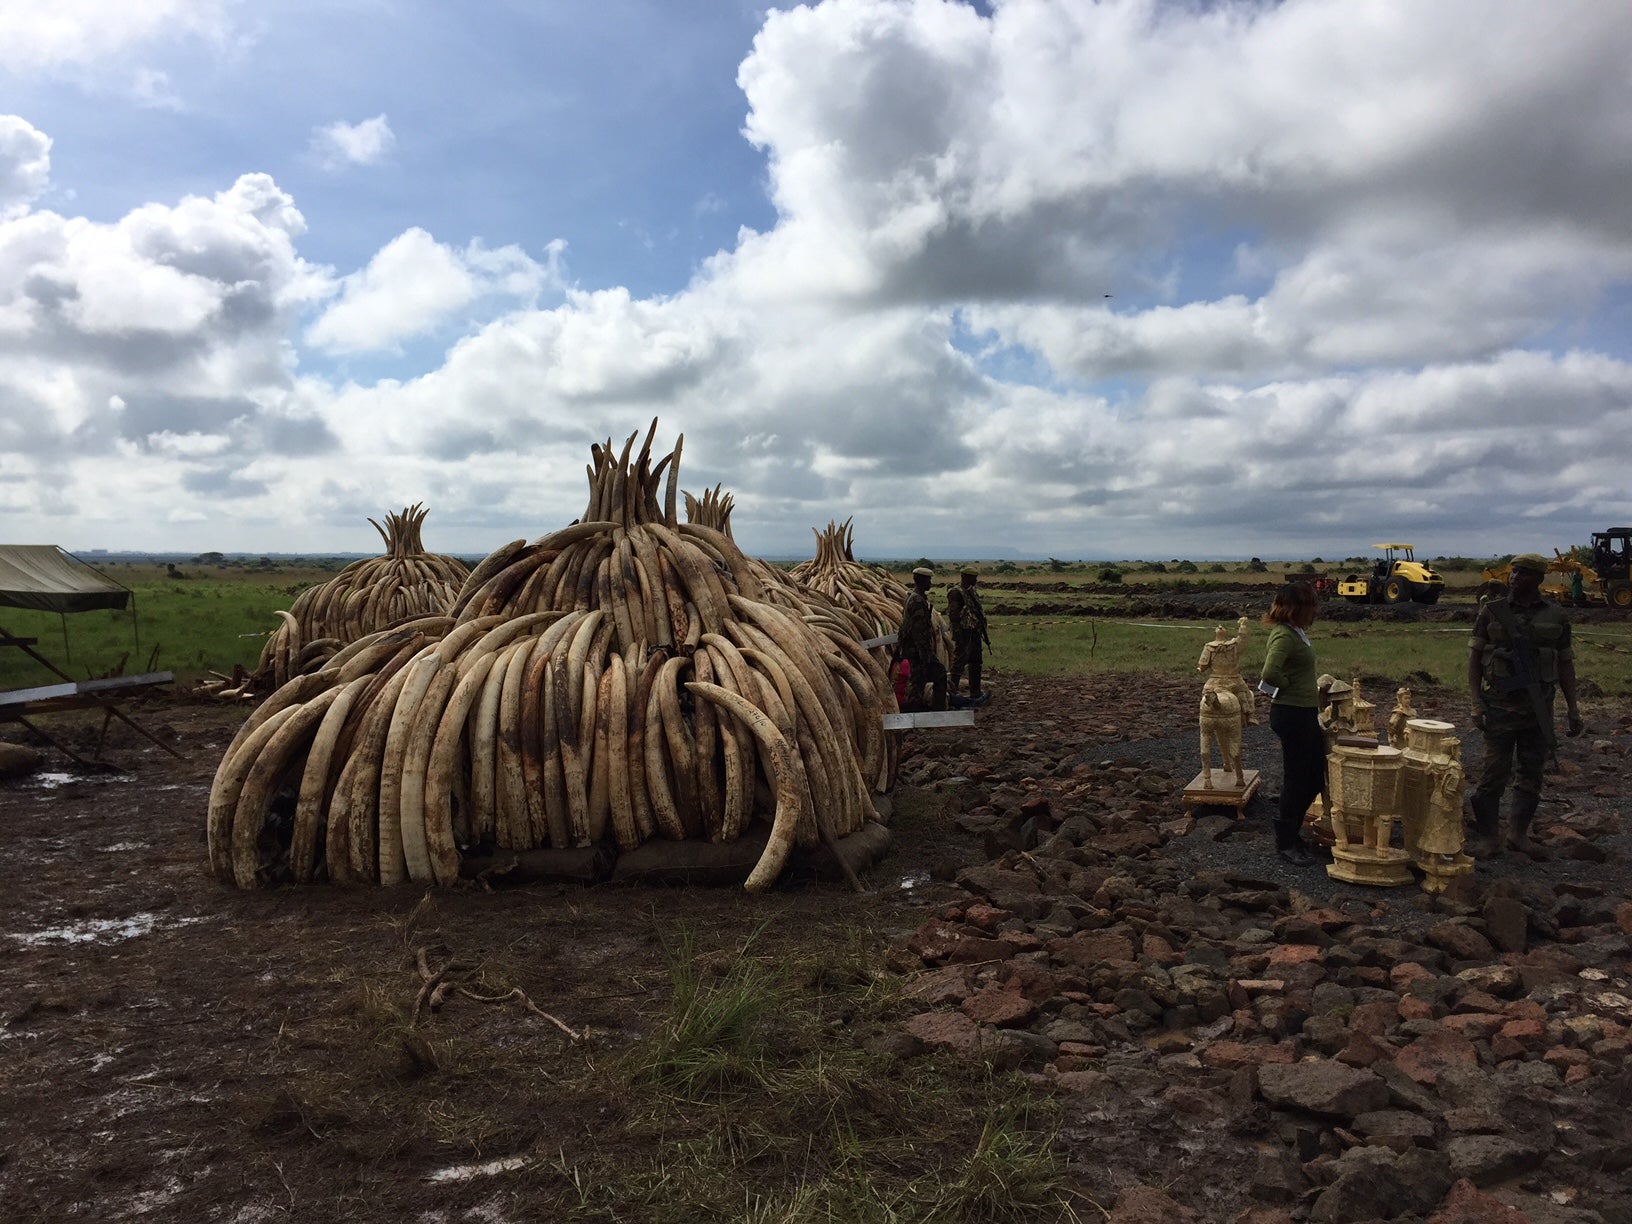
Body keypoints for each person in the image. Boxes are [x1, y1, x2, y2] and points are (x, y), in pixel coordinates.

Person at [1466, 553, 1583, 857]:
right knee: (1493, 775)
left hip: (1539, 710)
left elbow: (1566, 665)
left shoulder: (1556, 616)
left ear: (1539, 579)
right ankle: (1489, 838)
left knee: (1532, 775)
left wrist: (1573, 709)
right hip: (1500, 708)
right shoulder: (1492, 612)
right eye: (1514, 572)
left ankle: (1518, 835)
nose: (1515, 578)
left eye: (1524, 573)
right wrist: (1476, 703)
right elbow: (1475, 661)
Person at [1257, 582, 1326, 866]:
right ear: (1295, 609)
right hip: (1292, 713)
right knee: (1298, 778)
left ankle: (1291, 831)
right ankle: (1285, 841)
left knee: (1312, 777)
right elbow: (1270, 672)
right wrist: (1289, 687)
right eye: (1311, 606)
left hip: (1303, 711)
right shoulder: (1284, 636)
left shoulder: (1295, 633)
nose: (1315, 612)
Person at [894, 567, 947, 711]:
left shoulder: (915, 597)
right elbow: (918, 632)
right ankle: (934, 710)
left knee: (919, 681)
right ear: (922, 581)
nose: (930, 582)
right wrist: (926, 655)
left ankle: (918, 709)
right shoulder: (916, 601)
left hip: (915, 649)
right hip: (916, 650)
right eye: (928, 579)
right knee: (936, 674)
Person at [945, 567, 990, 703]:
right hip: (963, 633)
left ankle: (975, 692)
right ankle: (951, 694)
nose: (975, 580)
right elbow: (953, 615)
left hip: (974, 631)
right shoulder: (956, 592)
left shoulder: (971, 592)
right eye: (973, 577)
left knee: (976, 661)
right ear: (965, 577)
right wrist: (958, 633)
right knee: (959, 662)